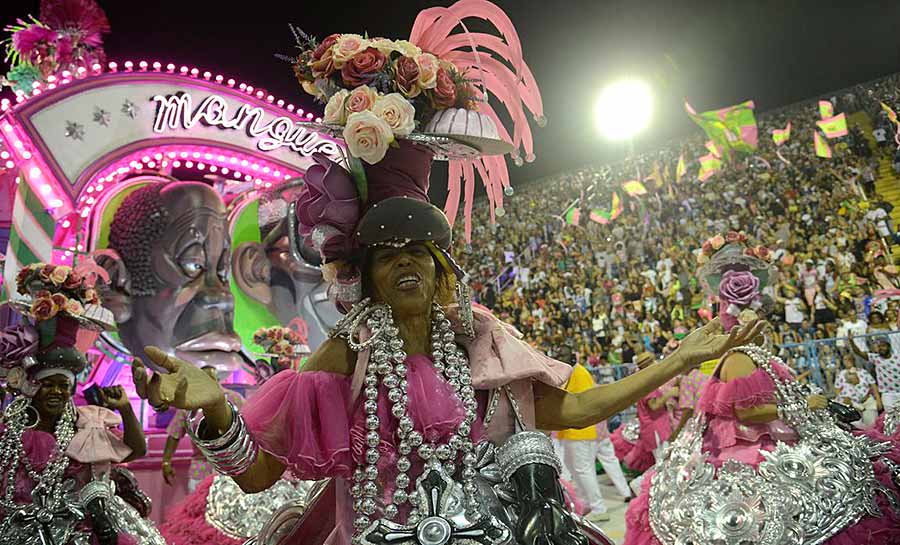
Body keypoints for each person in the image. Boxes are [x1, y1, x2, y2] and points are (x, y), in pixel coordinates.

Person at [130, 4, 764, 542]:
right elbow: (264, 474)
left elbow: (573, 407)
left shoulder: (482, 341)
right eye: (387, 252)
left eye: (418, 250)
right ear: (369, 273)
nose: (404, 259)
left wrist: (678, 361)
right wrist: (215, 410)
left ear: (441, 270)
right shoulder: (344, 356)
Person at [625, 238, 900, 545]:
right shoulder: (740, 357)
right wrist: (803, 404)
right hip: (745, 454)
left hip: (764, 440)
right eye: (758, 315)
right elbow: (746, 411)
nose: (765, 320)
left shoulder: (752, 355)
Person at [0, 261, 163, 544]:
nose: (55, 392)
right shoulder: (10, 433)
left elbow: (136, 451)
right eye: (46, 384)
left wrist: (125, 408)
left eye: (63, 386)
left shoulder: (85, 425)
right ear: (30, 387)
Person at [160, 366, 245, 493]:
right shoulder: (189, 403)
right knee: (198, 509)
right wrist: (166, 461)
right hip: (200, 470)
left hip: (232, 470)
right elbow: (175, 433)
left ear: (217, 379)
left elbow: (250, 426)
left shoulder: (234, 399)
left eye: (210, 378)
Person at [849, 334, 900, 411]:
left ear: (889, 346)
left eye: (883, 346)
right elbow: (858, 352)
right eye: (879, 347)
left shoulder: (898, 357)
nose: (881, 348)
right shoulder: (876, 358)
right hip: (887, 394)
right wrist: (851, 341)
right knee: (891, 418)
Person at [833, 352, 880, 428]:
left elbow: (873, 386)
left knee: (872, 426)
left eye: (850, 359)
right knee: (857, 427)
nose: (848, 361)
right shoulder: (841, 374)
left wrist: (878, 400)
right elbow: (837, 389)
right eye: (846, 359)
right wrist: (843, 401)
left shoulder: (863, 372)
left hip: (867, 402)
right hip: (852, 405)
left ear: (854, 360)